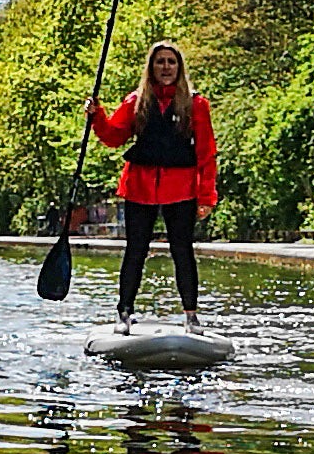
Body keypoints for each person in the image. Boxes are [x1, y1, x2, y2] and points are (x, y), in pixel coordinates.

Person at [87, 37, 217, 324]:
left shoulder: (196, 104)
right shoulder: (136, 101)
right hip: (139, 187)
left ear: (179, 68)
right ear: (151, 67)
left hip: (181, 187)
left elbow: (206, 153)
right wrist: (97, 116)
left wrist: (207, 196)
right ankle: (124, 313)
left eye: (172, 62)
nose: (166, 67)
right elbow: (113, 137)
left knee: (182, 251)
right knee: (135, 250)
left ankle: (191, 316)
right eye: (160, 62)